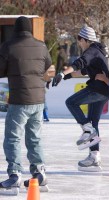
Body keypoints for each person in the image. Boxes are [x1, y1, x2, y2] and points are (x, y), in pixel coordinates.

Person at [0, 16, 52, 194]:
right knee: (34, 138)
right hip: (38, 100)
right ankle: (39, 173)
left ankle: (14, 175)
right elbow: (47, 64)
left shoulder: (8, 46)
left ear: (15, 29)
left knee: (13, 138)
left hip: (20, 100)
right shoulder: (41, 45)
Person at [52, 25, 109, 172]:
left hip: (97, 89)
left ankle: (87, 130)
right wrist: (64, 76)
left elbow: (79, 63)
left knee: (71, 102)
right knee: (93, 122)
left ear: (85, 39)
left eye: (79, 39)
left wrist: (62, 72)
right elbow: (83, 70)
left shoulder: (91, 50)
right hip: (104, 92)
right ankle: (94, 157)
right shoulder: (98, 52)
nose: (78, 42)